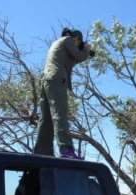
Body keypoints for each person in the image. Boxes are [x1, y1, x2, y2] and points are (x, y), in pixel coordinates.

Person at [33, 27, 92, 159]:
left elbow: (74, 59)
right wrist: (86, 50)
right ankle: (66, 150)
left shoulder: (59, 44)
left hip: (47, 81)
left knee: (46, 119)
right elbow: (79, 56)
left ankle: (41, 153)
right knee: (60, 114)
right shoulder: (68, 40)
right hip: (56, 80)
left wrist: (85, 52)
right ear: (76, 39)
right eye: (79, 44)